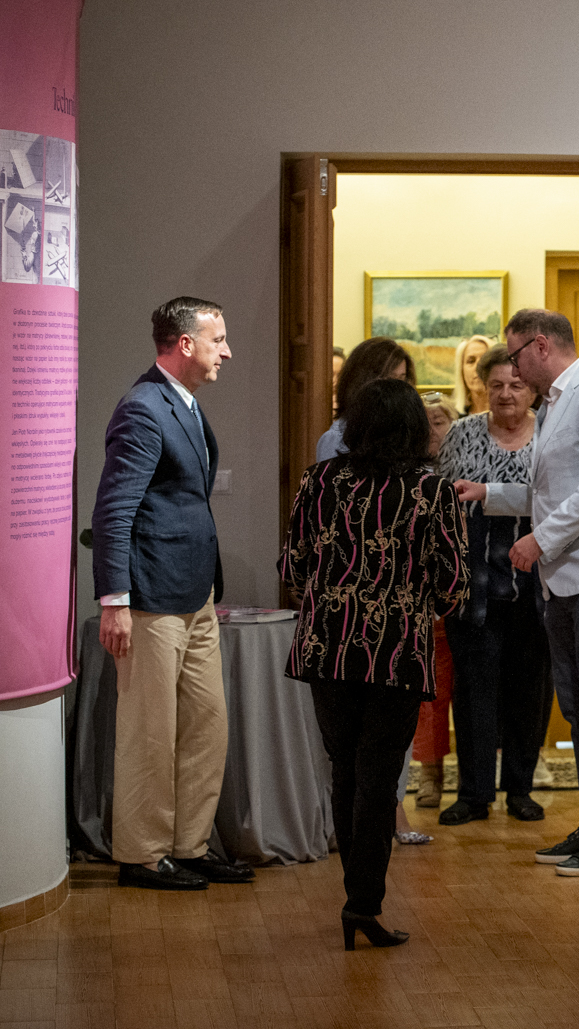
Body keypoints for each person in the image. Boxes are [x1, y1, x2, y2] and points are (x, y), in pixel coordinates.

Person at [455, 309, 579, 876]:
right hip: (566, 578)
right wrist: (488, 493)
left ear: (540, 346)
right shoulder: (558, 402)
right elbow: (551, 491)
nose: (512, 370)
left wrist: (539, 540)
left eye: (515, 356)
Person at [280, 378, 468, 950]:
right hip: (396, 652)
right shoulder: (432, 492)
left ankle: (355, 898)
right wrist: (411, 601)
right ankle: (363, 903)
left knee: (345, 770)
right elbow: (454, 585)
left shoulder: (319, 481)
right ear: (413, 429)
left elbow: (293, 568)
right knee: (379, 777)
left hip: (328, 646)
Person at [91, 296, 254, 891]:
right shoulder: (142, 407)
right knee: (150, 733)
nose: (227, 352)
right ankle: (142, 854)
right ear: (185, 344)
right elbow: (113, 511)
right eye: (218, 340)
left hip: (195, 593)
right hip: (151, 597)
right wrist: (115, 601)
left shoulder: (182, 402)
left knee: (206, 726)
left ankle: (189, 845)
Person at [434, 344, 551, 826]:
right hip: (474, 586)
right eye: (497, 385)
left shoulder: (550, 432)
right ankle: (474, 794)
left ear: (532, 390)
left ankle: (520, 789)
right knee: (474, 694)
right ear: (484, 388)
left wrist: (490, 495)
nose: (506, 394)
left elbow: (559, 500)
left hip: (537, 586)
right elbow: (442, 499)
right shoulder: (462, 432)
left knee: (530, 692)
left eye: (516, 385)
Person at [410, 392, 461, 810]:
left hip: (473, 593)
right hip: (426, 600)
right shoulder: (407, 473)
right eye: (424, 422)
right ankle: (431, 773)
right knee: (432, 693)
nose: (432, 429)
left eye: (439, 421)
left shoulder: (467, 467)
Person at [316, 337, 415, 461]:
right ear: (364, 381)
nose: (397, 388)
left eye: (401, 379)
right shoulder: (337, 439)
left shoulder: (407, 429)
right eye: (389, 379)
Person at [453, 333, 495, 415]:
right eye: (471, 361)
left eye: (485, 360)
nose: (478, 367)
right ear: (461, 371)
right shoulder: (452, 417)